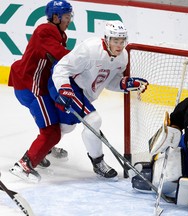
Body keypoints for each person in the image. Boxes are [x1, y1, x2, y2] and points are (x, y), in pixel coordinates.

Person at [47, 20, 148, 180]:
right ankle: (98, 162)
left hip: (83, 93)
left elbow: (111, 82)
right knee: (93, 120)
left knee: (67, 127)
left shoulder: (122, 57)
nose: (120, 45)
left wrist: (126, 84)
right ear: (107, 39)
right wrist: (64, 88)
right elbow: (61, 68)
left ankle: (44, 148)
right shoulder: (90, 49)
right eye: (115, 41)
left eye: (122, 41)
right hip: (68, 85)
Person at [9, 0, 74, 183]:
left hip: (35, 85)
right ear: (56, 17)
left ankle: (43, 150)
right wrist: (85, 57)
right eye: (67, 16)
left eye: (70, 16)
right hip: (32, 87)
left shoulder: (59, 33)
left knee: (53, 118)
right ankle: (24, 165)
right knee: (52, 131)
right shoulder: (46, 31)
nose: (69, 20)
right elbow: (61, 56)